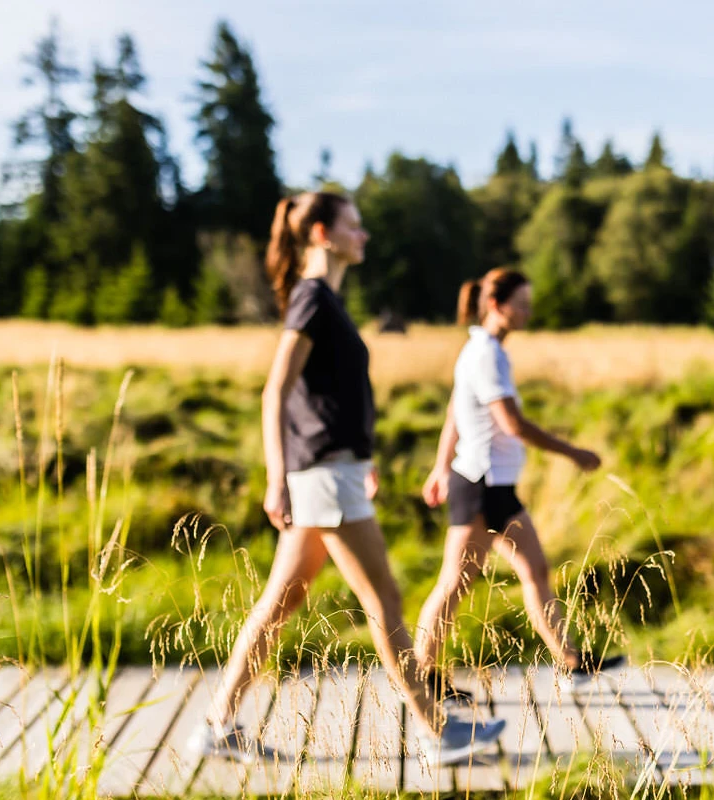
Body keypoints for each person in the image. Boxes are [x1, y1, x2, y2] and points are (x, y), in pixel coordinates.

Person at [192, 192, 505, 763]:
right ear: (322, 233)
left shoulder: (326, 300)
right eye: (353, 226)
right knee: (384, 600)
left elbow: (328, 397)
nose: (363, 236)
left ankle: (217, 724)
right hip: (322, 477)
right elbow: (275, 391)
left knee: (280, 602)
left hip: (336, 471)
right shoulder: (312, 299)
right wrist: (277, 479)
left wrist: (363, 458)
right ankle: (437, 732)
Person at [415, 268, 624, 702]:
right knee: (455, 583)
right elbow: (512, 423)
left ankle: (571, 664)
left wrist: (439, 466)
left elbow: (455, 412)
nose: (529, 311)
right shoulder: (486, 354)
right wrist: (573, 452)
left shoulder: (480, 349)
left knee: (535, 571)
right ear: (496, 305)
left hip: (495, 487)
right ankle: (421, 677)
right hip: (481, 486)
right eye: (522, 304)